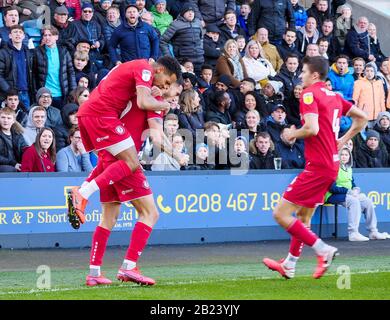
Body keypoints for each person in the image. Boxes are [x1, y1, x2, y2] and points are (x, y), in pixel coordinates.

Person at [262, 56, 368, 280]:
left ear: (315, 75)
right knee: (303, 217)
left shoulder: (310, 94)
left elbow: (311, 128)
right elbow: (363, 118)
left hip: (318, 165)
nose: (301, 76)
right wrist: (343, 139)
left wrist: (292, 133)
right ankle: (290, 264)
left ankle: (323, 249)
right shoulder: (335, 96)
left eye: (304, 72)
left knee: (280, 214)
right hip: (331, 164)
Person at [68, 56, 182, 230]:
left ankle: (80, 192)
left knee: (109, 164)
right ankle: (82, 193)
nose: (165, 87)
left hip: (88, 115)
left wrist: (156, 93)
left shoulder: (136, 69)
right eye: (166, 82)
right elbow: (143, 102)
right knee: (132, 164)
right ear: (159, 70)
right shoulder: (144, 69)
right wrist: (165, 105)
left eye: (168, 86)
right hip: (102, 115)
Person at [325, 147, 390, 241]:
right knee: (354, 201)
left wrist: (355, 189)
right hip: (331, 195)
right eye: (342, 155)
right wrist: (349, 192)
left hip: (347, 194)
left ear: (349, 157)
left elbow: (352, 183)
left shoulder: (348, 168)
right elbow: (332, 187)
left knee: (367, 201)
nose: (343, 157)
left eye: (346, 155)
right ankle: (353, 233)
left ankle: (373, 232)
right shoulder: (333, 168)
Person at [33, 25, 76, 110]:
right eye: (45, 35)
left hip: (61, 94)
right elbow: (34, 74)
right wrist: (35, 91)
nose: (47, 38)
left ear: (56, 37)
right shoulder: (37, 52)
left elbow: (71, 73)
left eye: (50, 35)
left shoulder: (64, 52)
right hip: (44, 95)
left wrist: (73, 92)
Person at [160, 3, 204, 75]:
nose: (190, 13)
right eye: (188, 11)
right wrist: (170, 58)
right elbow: (162, 41)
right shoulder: (175, 24)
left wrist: (201, 50)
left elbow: (201, 38)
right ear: (183, 13)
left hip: (199, 60)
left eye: (192, 12)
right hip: (183, 61)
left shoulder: (198, 23)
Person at [0, 25, 34, 109]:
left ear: (23, 36)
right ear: (10, 35)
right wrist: (8, 90)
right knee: (8, 120)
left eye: (20, 32)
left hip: (25, 93)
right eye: (15, 32)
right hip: (9, 96)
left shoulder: (28, 52)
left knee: (25, 120)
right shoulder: (3, 53)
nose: (18, 34)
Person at [353, 62, 386, 126]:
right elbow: (355, 99)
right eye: (367, 71)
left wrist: (383, 113)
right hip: (364, 115)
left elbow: (382, 99)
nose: (369, 73)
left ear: (375, 72)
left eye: (371, 71)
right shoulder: (358, 83)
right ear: (364, 72)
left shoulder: (379, 83)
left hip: (377, 116)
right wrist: (356, 114)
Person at [0, 106, 26, 172]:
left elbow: (25, 149)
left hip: (17, 164)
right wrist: (13, 164)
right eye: (3, 117)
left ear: (13, 121)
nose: (5, 120)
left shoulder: (18, 134)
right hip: (4, 166)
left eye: (9, 118)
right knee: (9, 169)